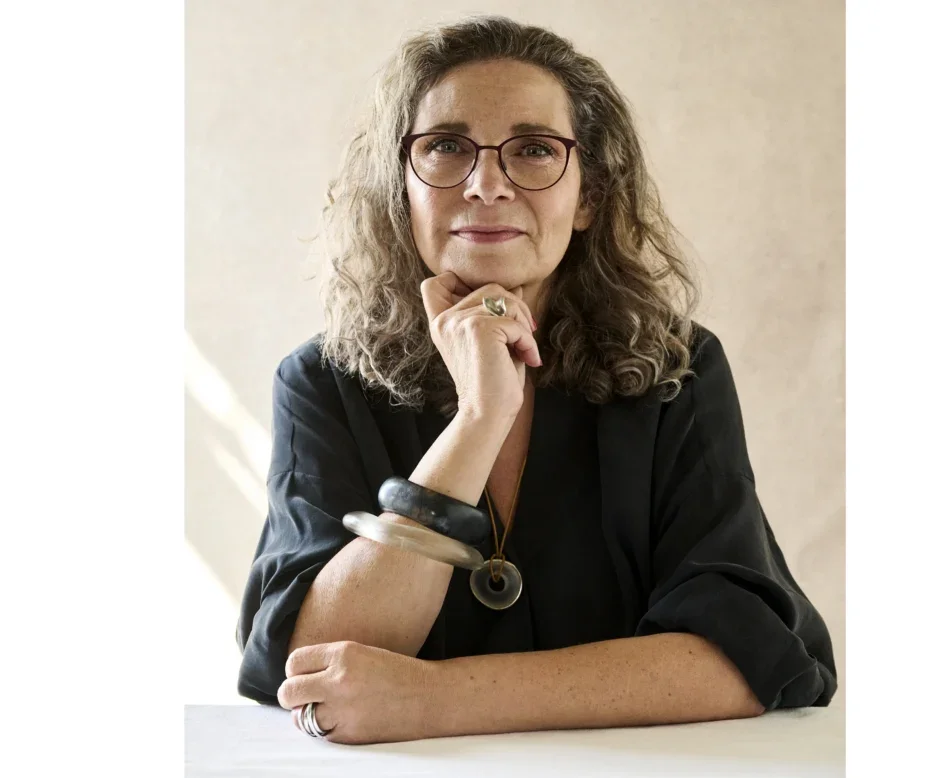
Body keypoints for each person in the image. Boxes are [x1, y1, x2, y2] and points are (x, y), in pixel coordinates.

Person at [236, 15, 837, 745]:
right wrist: (478, 420)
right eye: (447, 146)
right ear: (402, 189)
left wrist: (436, 699)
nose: (487, 185)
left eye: (533, 150)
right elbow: (306, 663)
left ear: (586, 197)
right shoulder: (322, 381)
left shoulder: (677, 369)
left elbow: (743, 659)